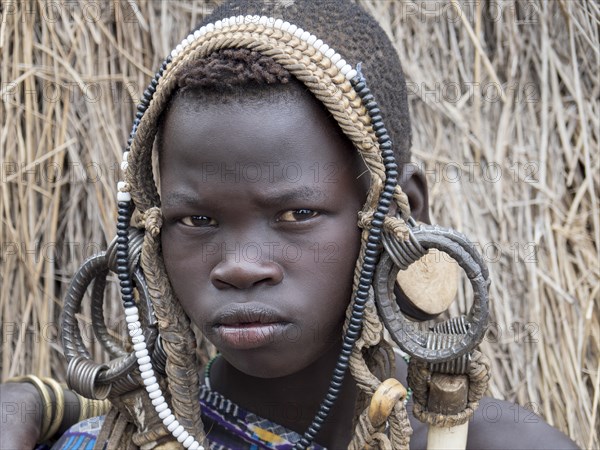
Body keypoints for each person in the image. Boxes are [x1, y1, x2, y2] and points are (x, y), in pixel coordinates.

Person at [0, 1, 579, 449]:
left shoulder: (501, 442)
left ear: (402, 216)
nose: (239, 266)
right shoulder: (101, 441)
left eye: (297, 214)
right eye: (197, 219)